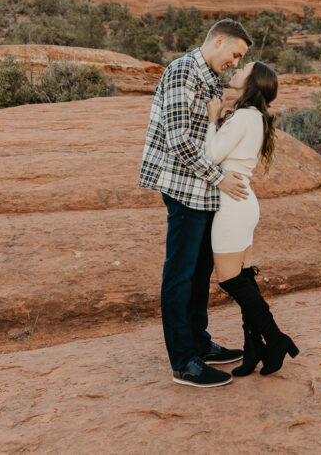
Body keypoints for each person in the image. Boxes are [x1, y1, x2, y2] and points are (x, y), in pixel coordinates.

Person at [139, 19, 252, 388]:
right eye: (235, 54)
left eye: (240, 59)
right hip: (182, 187)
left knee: (200, 270)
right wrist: (221, 178)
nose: (235, 63)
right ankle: (183, 362)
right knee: (180, 274)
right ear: (219, 41)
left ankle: (199, 344)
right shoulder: (183, 72)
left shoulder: (209, 77)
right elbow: (179, 141)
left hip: (201, 189)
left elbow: (204, 132)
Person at [205, 60, 299, 376]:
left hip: (233, 205)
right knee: (244, 278)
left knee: (231, 280)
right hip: (243, 202)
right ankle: (254, 348)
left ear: (251, 83)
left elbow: (211, 156)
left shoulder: (244, 117)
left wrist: (211, 120)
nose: (237, 69)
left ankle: (275, 339)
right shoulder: (255, 116)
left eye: (243, 69)